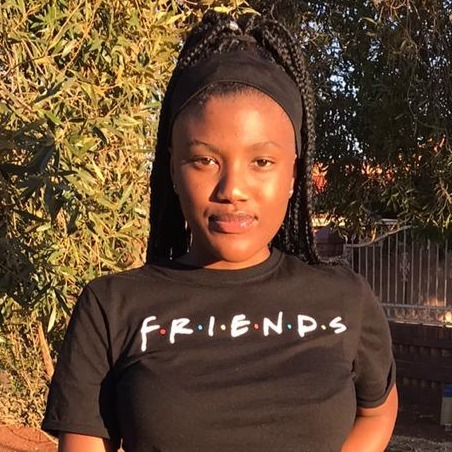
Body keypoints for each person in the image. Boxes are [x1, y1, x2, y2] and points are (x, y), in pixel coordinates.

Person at [42, 10, 398, 452]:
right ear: (173, 170)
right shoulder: (111, 307)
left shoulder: (345, 299)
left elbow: (378, 410)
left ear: (293, 174)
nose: (232, 189)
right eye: (204, 160)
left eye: (261, 162)